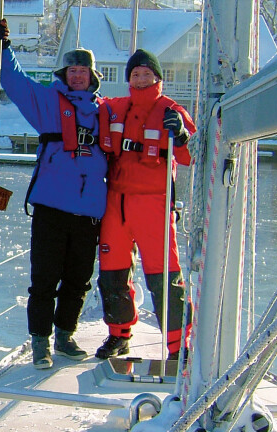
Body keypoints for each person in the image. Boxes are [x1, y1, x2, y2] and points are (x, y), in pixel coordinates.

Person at [0, 19, 108, 369]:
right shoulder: (48, 103)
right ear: (64, 74)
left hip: (89, 212)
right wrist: (2, 49)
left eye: (82, 71)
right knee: (44, 279)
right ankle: (40, 342)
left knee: (78, 280)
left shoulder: (107, 112)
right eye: (71, 70)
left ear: (92, 77)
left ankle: (65, 336)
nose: (76, 76)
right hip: (51, 208)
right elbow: (15, 82)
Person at [95, 49, 196, 360]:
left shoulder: (171, 110)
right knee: (113, 272)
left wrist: (179, 135)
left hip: (154, 203)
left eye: (146, 73)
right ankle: (119, 334)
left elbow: (192, 156)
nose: (140, 78)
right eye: (135, 74)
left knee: (163, 274)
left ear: (157, 78)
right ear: (128, 79)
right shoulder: (114, 108)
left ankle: (179, 346)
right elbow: (79, 105)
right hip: (116, 202)